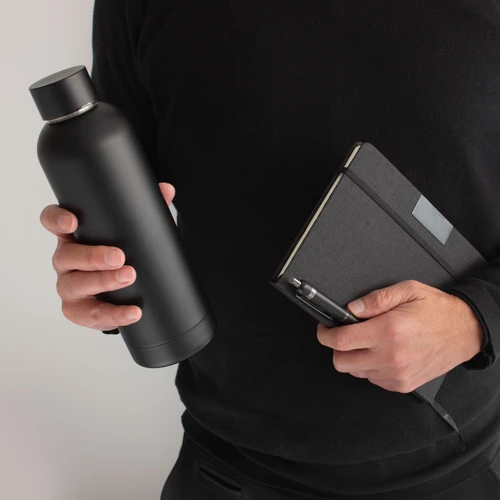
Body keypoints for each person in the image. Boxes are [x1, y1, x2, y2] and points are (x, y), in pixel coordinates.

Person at [39, 1, 500, 498]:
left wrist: (476, 321)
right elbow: (126, 204)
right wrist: (101, 280)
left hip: (453, 464)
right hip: (226, 465)